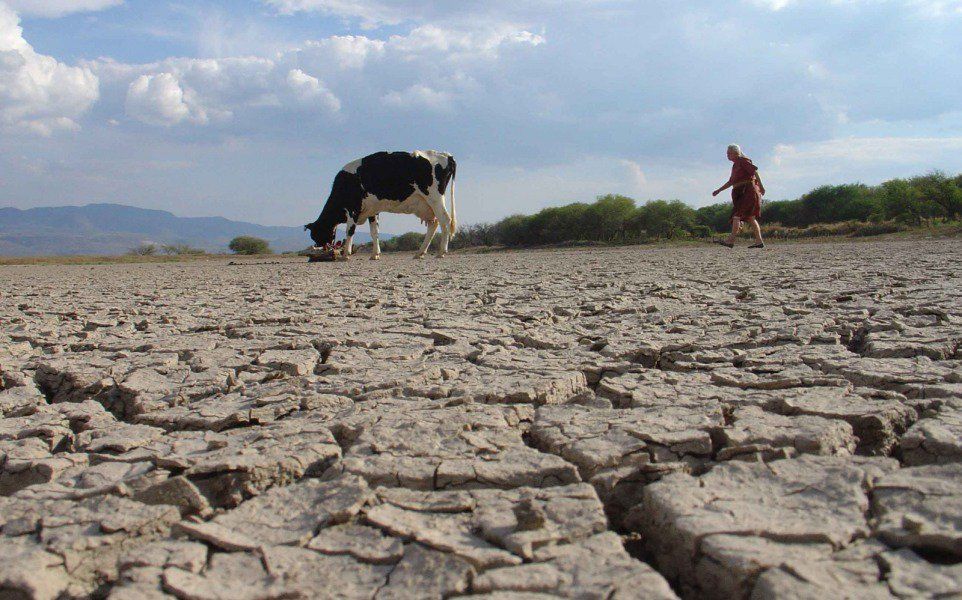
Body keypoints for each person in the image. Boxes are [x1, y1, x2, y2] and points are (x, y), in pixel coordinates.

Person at [712, 144, 766, 248]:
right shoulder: (735, 165)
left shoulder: (743, 161)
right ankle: (759, 242)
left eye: (729, 153)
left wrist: (762, 187)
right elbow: (731, 182)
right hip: (740, 192)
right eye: (727, 153)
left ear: (736, 153)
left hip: (748, 191)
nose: (727, 155)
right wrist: (719, 190)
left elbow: (754, 172)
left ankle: (730, 240)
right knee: (750, 218)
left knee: (737, 216)